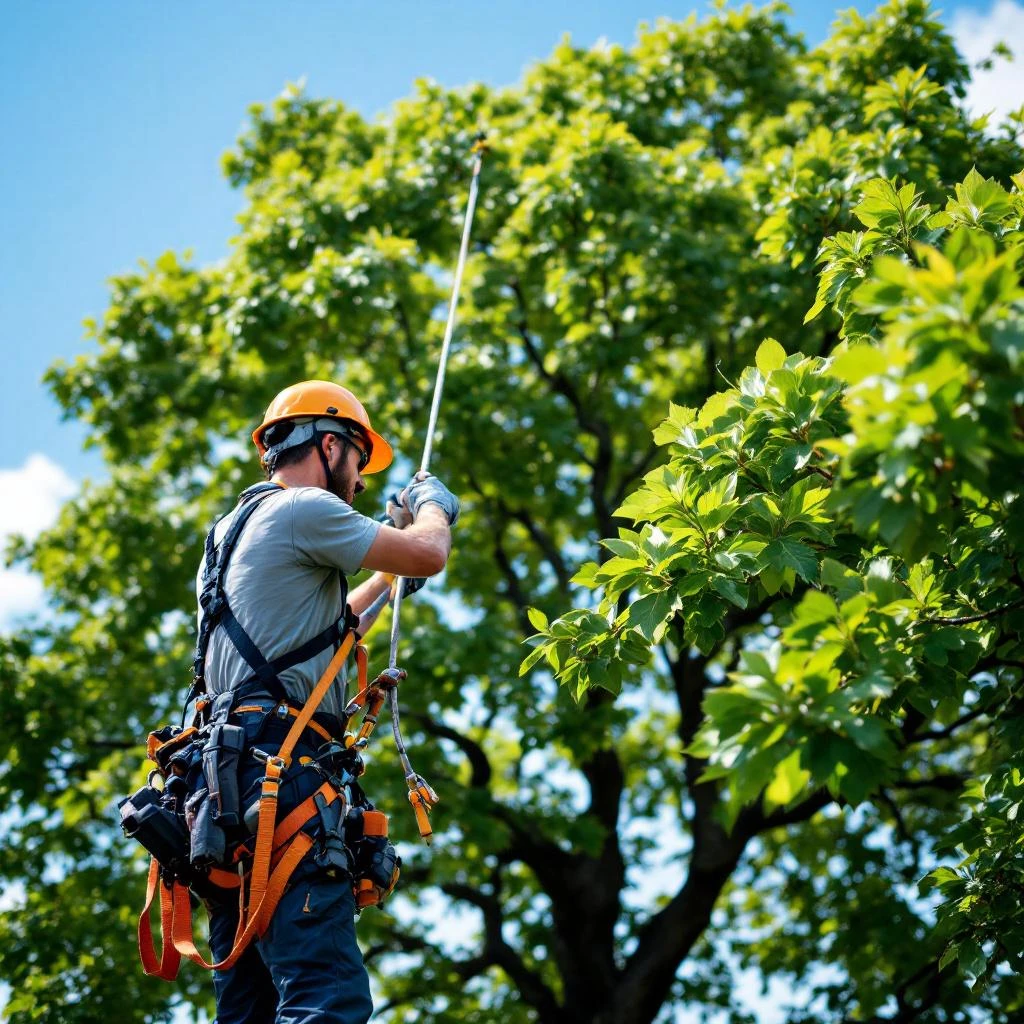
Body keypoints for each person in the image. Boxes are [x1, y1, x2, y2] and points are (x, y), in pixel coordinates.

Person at [196, 379, 459, 1024]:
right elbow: (429, 553)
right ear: (331, 444)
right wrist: (433, 508)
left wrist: (387, 579)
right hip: (282, 781)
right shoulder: (304, 509)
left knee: (251, 1009)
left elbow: (319, 634)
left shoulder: (231, 531)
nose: (361, 482)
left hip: (226, 792)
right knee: (327, 996)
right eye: (359, 461)